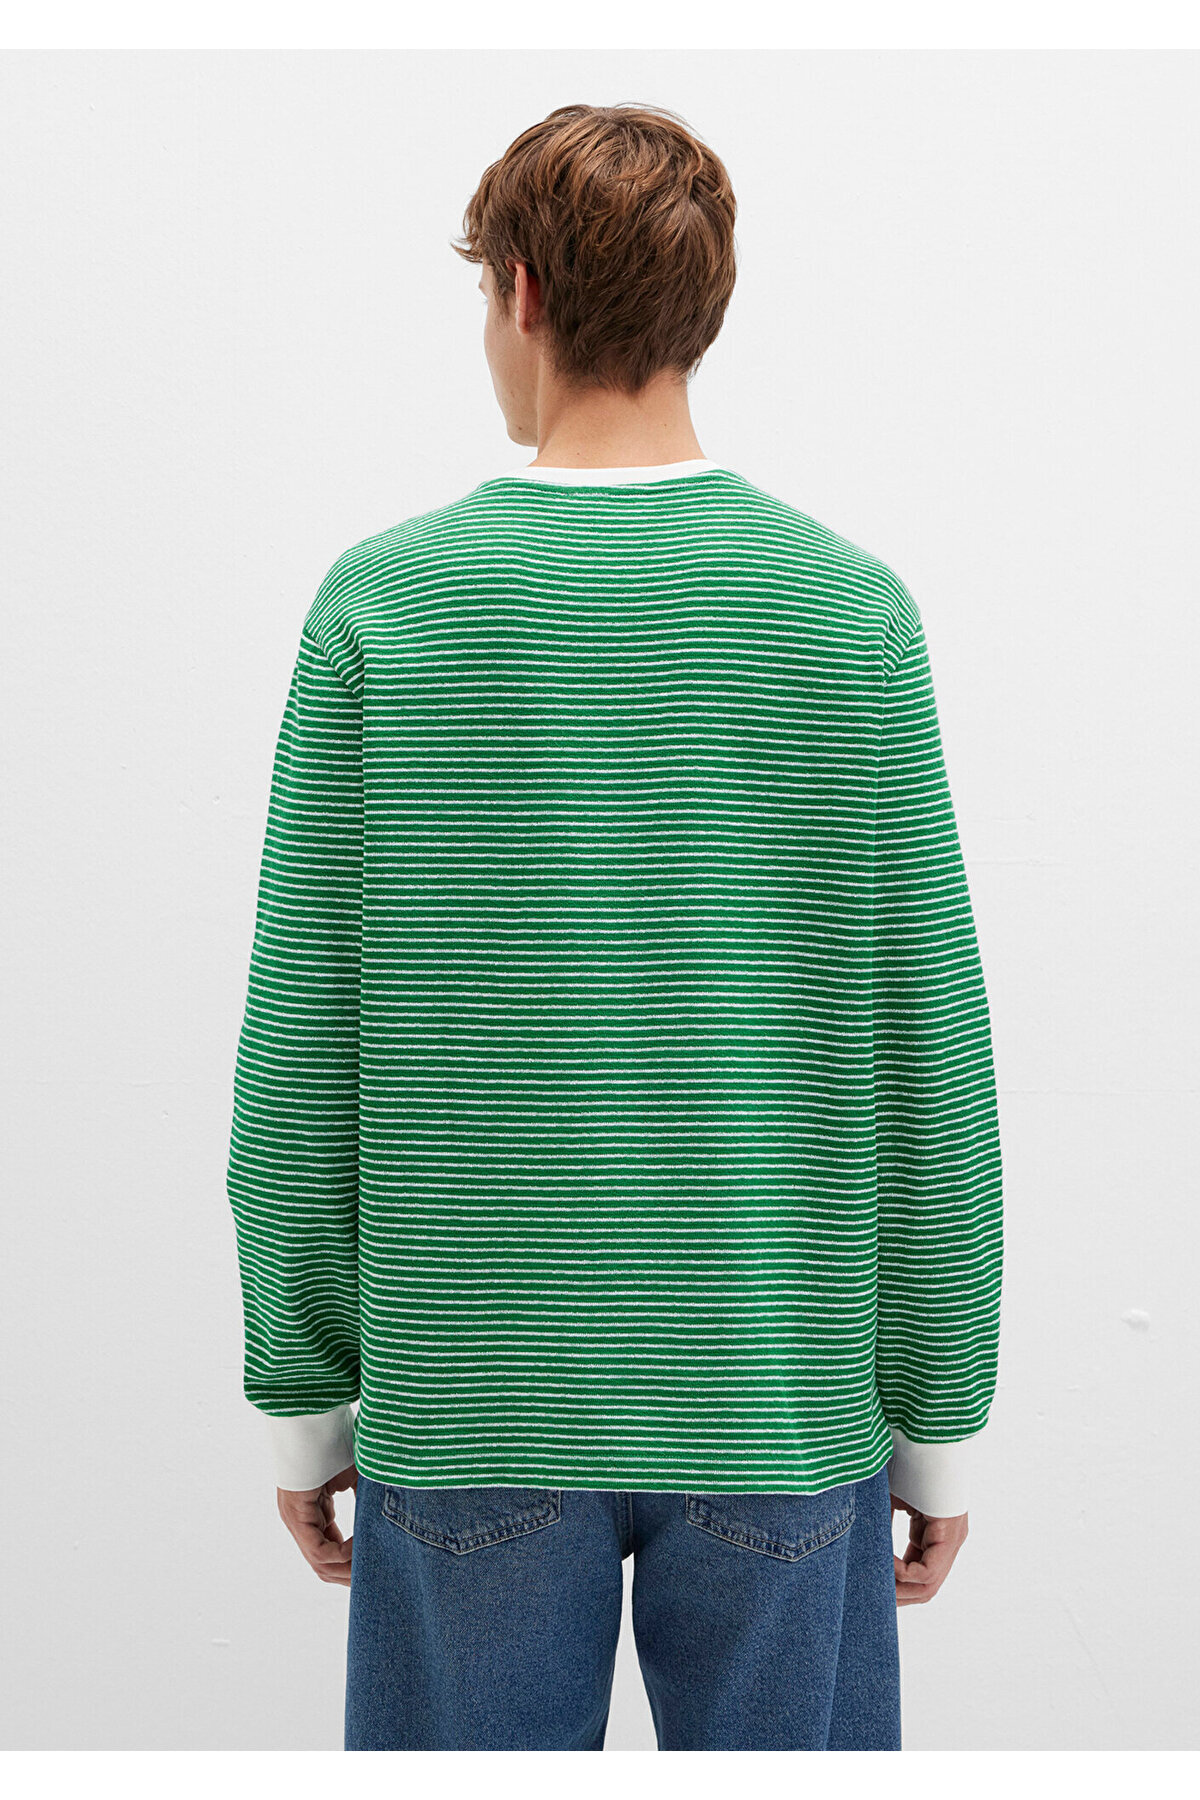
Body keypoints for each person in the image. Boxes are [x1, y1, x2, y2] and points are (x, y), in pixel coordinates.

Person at [226, 101, 1004, 1753]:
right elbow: (927, 1047)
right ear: (703, 305)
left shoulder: (388, 605)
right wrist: (937, 1420)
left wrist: (306, 1395)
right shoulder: (847, 613)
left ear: (519, 291)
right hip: (779, 1397)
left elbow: (303, 1039)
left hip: (472, 1399)